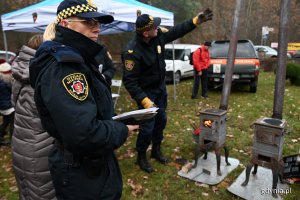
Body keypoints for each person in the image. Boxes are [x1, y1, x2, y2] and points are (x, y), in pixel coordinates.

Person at [29, 0, 139, 199]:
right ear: (65, 24)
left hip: (91, 165)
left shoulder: (81, 58)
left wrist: (118, 120)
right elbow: (84, 135)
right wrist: (120, 130)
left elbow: (90, 109)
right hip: (81, 170)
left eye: (98, 22)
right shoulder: (64, 67)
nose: (97, 27)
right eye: (88, 22)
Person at [122, 10, 213, 173]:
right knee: (147, 127)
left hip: (160, 89)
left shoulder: (157, 36)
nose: (158, 27)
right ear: (145, 33)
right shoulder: (132, 52)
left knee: (161, 121)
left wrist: (195, 21)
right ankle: (141, 156)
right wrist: (144, 100)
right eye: (154, 26)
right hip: (146, 93)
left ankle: (156, 150)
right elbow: (129, 81)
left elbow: (177, 30)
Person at [11, 34, 56, 200]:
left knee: (27, 192)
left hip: (20, 144)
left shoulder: (20, 73)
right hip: (39, 150)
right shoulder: (39, 78)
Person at [0, 61, 14, 145]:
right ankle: (12, 140)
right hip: (9, 107)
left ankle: (0, 136)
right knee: (12, 124)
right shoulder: (5, 83)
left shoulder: (2, 81)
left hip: (3, 107)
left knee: (5, 122)